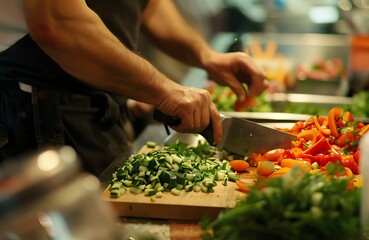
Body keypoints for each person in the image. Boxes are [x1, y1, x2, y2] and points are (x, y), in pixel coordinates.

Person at [0, 0, 267, 175]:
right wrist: (164, 90)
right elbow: (57, 24)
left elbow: (146, 4)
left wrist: (206, 55)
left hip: (95, 107)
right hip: (44, 114)